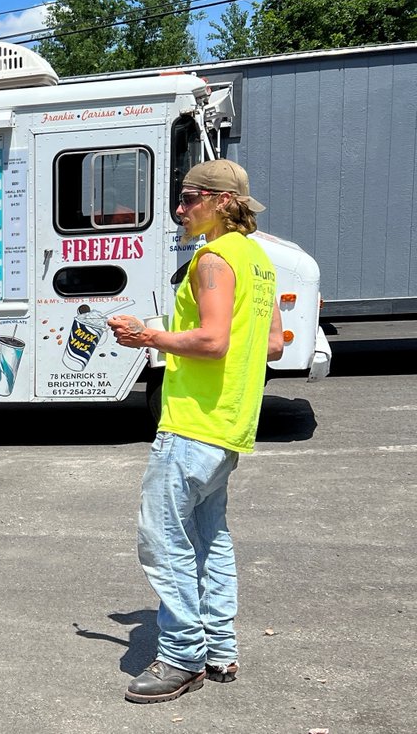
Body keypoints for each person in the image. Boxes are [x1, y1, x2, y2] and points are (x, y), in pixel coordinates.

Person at [107, 160, 284, 704]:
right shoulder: (259, 261)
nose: (179, 209)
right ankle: (219, 650)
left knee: (163, 541)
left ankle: (182, 656)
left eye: (189, 198)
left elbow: (211, 341)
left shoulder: (212, 260)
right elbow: (273, 343)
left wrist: (146, 336)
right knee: (209, 539)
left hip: (193, 422)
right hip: (230, 423)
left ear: (222, 201)